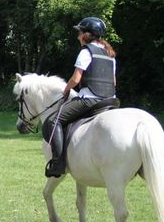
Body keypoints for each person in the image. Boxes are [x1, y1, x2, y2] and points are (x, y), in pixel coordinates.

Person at [43, 17, 118, 178]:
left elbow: (76, 79)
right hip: (110, 99)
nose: (78, 36)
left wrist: (66, 90)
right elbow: (114, 82)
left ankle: (58, 163)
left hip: (90, 99)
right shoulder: (110, 54)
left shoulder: (86, 51)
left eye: (79, 33)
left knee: (52, 121)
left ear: (86, 35)